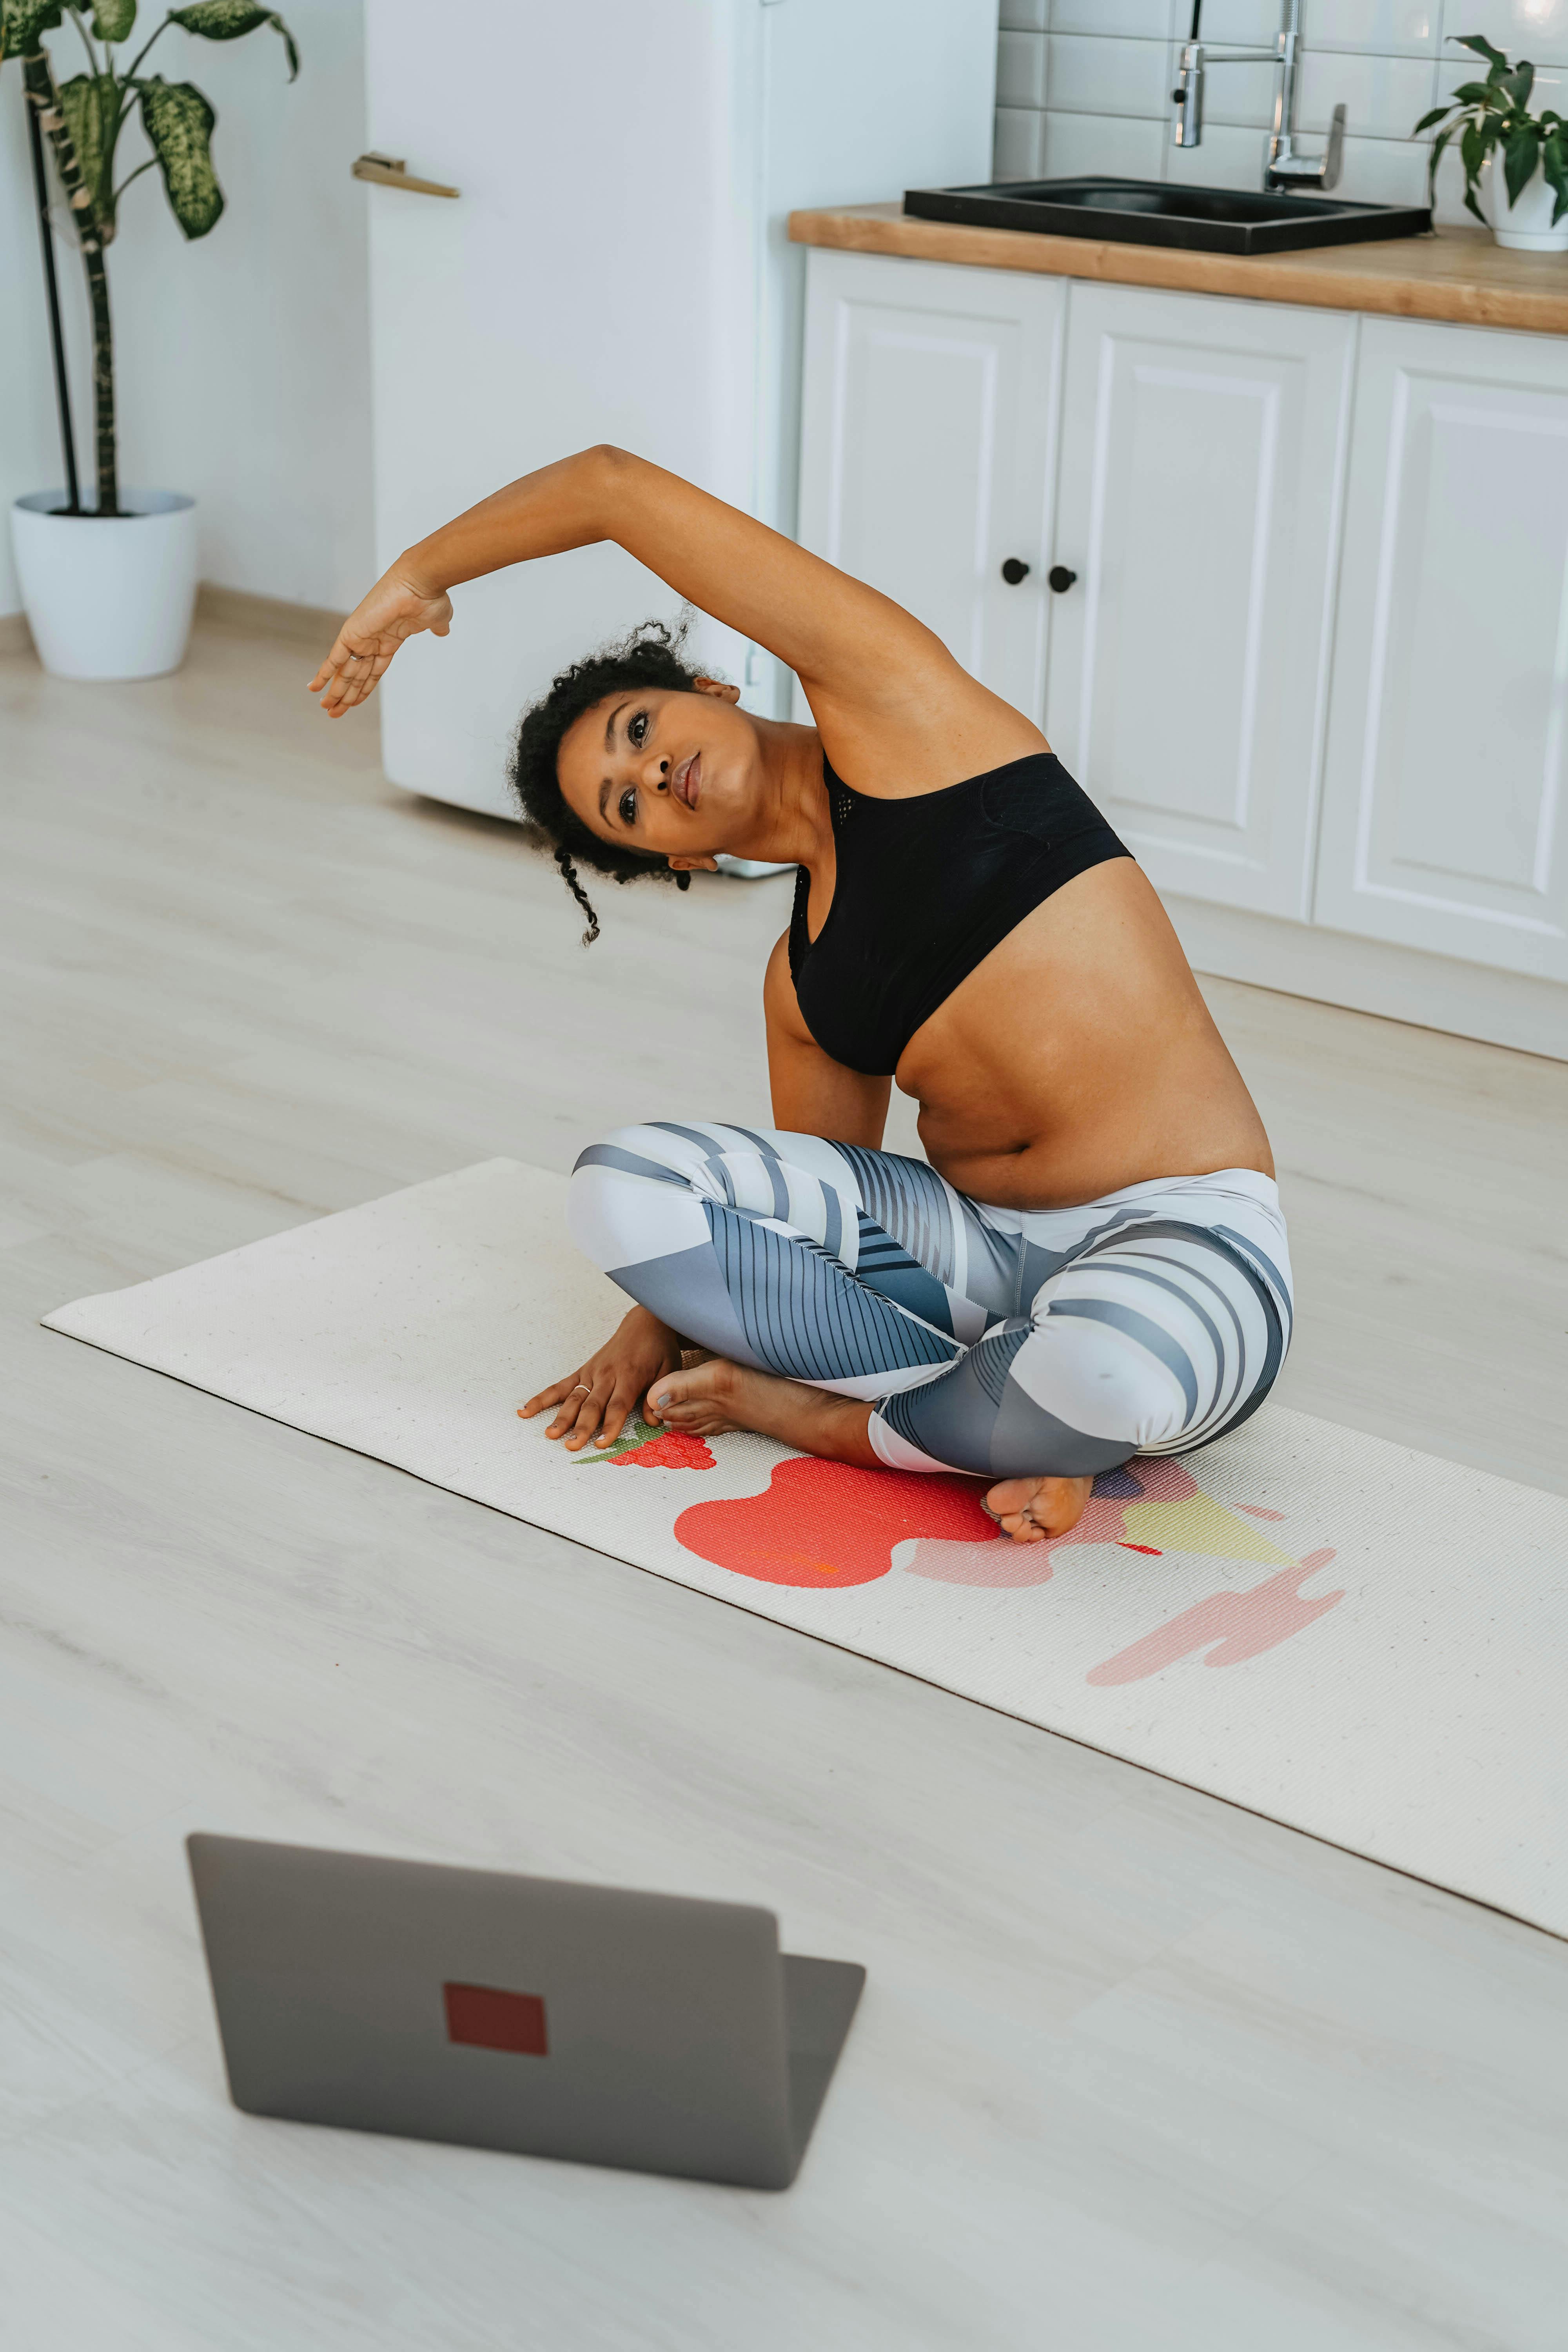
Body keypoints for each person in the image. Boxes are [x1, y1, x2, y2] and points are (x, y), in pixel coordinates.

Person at [310, 446, 1290, 1545]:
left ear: (709, 689)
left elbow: (610, 488)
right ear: (677, 861)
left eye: (638, 732)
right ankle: (1013, 1424)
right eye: (624, 808)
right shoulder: (801, 985)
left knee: (1110, 1374)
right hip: (976, 1258)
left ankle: (858, 1424)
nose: (649, 774)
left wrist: (420, 572)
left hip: (1184, 1231)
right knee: (617, 1189)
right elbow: (807, 1217)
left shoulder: (906, 713)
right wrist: (660, 1315)